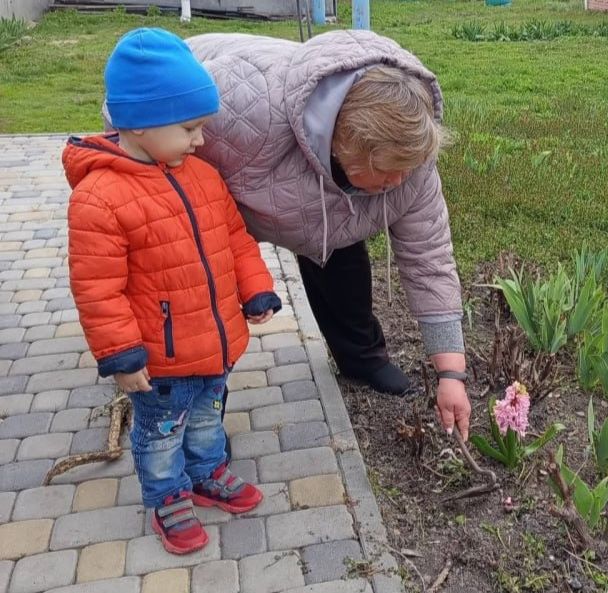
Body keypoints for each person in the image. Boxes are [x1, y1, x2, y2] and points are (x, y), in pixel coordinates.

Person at [185, 30, 472, 438]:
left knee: (340, 252)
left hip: (320, 210)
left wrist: (451, 373)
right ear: (343, 144)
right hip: (225, 176)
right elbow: (136, 113)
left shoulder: (412, 164)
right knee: (191, 282)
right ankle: (192, 408)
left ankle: (362, 359)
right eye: (389, 171)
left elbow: (430, 259)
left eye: (407, 169)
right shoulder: (239, 106)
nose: (400, 180)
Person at [64, 28, 283, 555]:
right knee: (161, 433)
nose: (201, 141)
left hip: (217, 344)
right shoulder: (99, 198)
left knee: (208, 417)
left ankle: (207, 471)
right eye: (189, 128)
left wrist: (255, 288)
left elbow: (235, 236)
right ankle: (167, 494)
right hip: (159, 359)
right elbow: (97, 288)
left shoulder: (203, 176)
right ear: (138, 123)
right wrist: (119, 353)